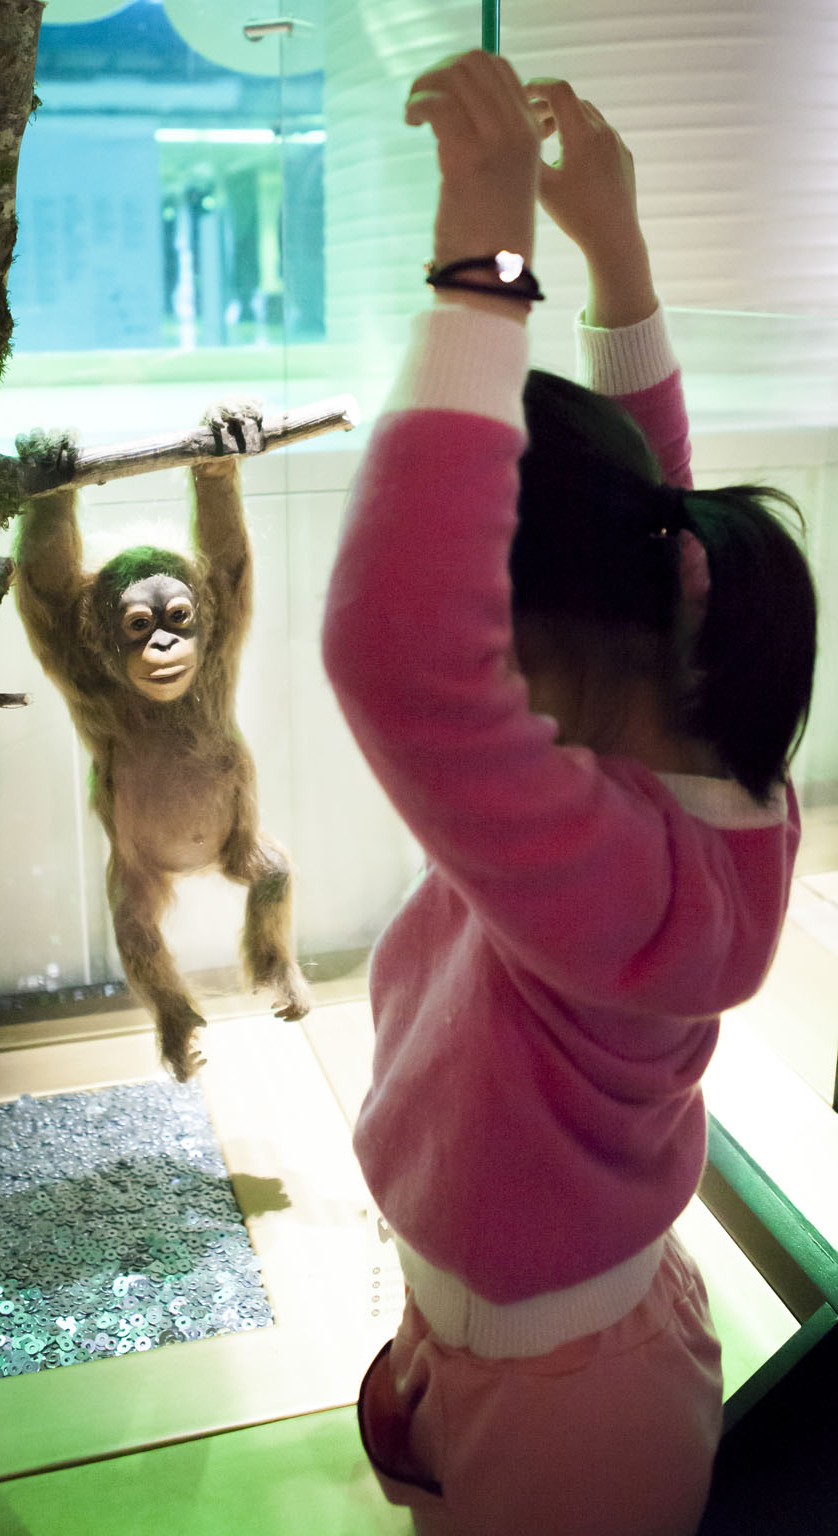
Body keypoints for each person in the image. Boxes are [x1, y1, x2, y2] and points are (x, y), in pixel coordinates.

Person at [321, 53, 817, 1536]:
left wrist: (487, 269)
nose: (470, 645)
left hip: (570, 1405)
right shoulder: (656, 730)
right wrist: (617, 251)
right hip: (516, 1326)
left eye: (492, 631)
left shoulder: (641, 886)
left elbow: (406, 657)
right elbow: (638, 495)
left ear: (532, 655)